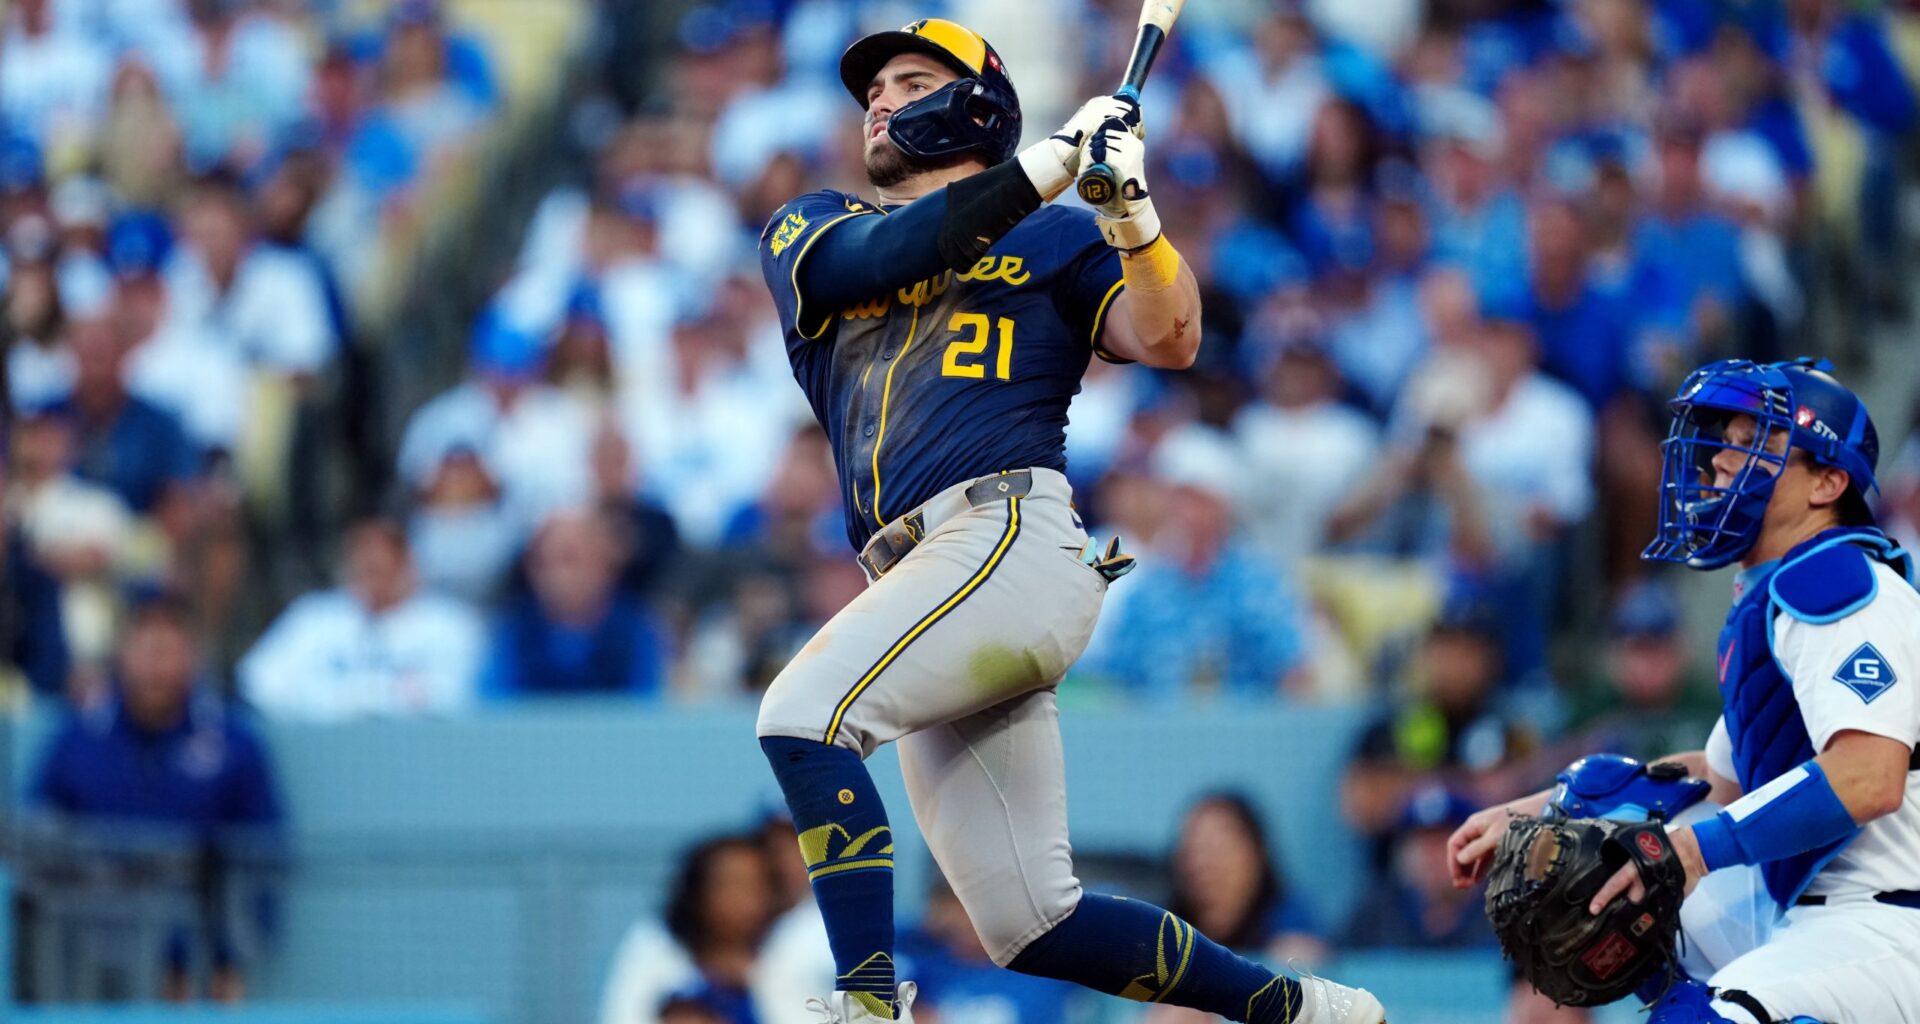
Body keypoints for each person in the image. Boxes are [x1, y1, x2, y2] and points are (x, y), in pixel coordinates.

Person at [751, 18, 1382, 1024]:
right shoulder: (814, 224)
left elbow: (1170, 336)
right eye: (873, 90)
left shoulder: (1055, 234)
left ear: (975, 107)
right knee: (1030, 921)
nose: (879, 101)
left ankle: (866, 1008)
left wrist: (1131, 211)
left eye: (910, 81)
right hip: (924, 579)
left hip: (1003, 538)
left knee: (801, 715)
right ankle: (1303, 1010)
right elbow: (887, 255)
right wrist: (1051, 163)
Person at [1448, 358, 1920, 1023]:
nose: (1722, 459)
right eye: (1726, 440)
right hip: (1813, 905)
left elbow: (1870, 777)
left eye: (1756, 442)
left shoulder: (1840, 586)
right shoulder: (1777, 597)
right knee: (1614, 892)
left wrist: (1692, 854)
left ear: (1827, 482)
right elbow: (1717, 779)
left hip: (1891, 918)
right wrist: (1546, 810)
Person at [29, 595, 285, 1001]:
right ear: (123, 653)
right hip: (89, 968)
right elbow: (36, 842)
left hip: (198, 971)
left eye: (167, 651)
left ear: (191, 655)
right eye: (145, 649)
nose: (155, 667)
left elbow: (265, 853)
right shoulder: (75, 739)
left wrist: (230, 957)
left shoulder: (235, 742)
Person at [238, 516, 484, 721]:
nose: (369, 568)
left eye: (379, 563)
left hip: (421, 750)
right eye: (362, 559)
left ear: (406, 562)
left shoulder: (452, 624)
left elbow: (463, 699)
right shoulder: (313, 617)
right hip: (326, 749)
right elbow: (259, 684)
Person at [600, 833, 777, 1024]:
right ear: (698, 893)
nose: (749, 898)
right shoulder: (656, 948)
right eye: (734, 884)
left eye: (760, 884)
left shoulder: (785, 952)